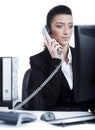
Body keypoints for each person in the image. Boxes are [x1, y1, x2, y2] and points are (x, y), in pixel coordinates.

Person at [23, 5, 95, 112]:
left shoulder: (82, 55)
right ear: (48, 30)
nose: (66, 32)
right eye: (60, 26)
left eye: (70, 26)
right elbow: (50, 99)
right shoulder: (37, 61)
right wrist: (56, 60)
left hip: (83, 120)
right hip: (54, 121)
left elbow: (90, 97)